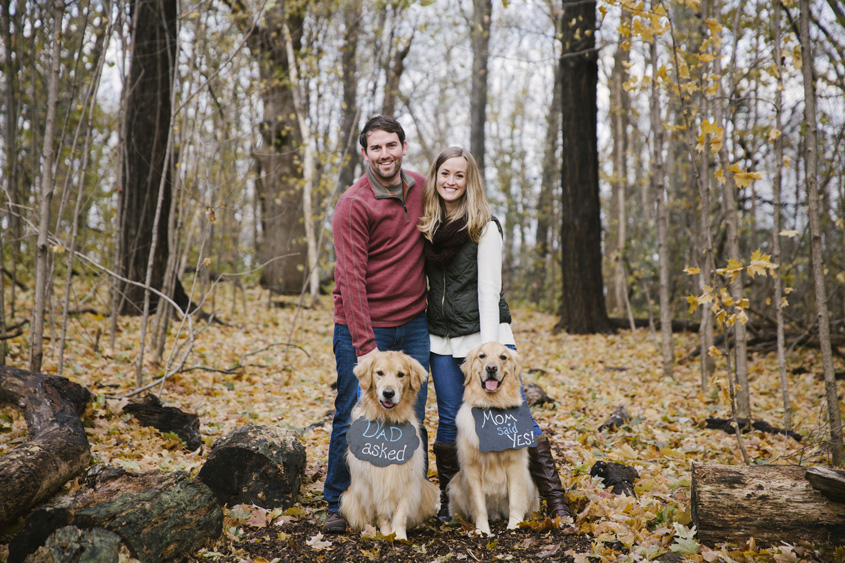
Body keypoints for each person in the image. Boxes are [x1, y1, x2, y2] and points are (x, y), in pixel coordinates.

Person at [418, 146, 572, 522]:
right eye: (445, 174)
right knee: (453, 419)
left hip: (486, 339)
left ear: (470, 182)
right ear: (435, 178)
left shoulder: (484, 226)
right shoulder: (426, 227)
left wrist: (490, 353)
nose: (451, 181)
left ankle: (556, 502)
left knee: (518, 420)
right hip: (441, 341)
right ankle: (451, 504)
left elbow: (489, 290)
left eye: (460, 175)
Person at [323, 115, 430, 534]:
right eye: (376, 148)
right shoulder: (354, 203)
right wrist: (366, 347)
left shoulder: (421, 188)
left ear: (404, 147)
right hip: (362, 325)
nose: (385, 154)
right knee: (354, 413)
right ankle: (337, 499)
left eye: (392, 145)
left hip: (413, 323)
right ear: (364, 153)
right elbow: (350, 279)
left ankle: (399, 501)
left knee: (409, 412)